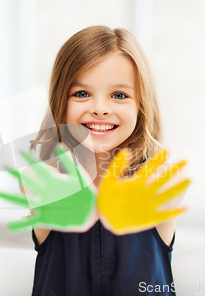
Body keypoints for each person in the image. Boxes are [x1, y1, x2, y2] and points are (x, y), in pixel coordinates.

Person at [26, 25, 188, 296]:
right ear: (60, 102)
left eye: (119, 95)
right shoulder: (41, 182)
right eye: (81, 94)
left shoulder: (161, 179)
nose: (100, 108)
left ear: (141, 106)